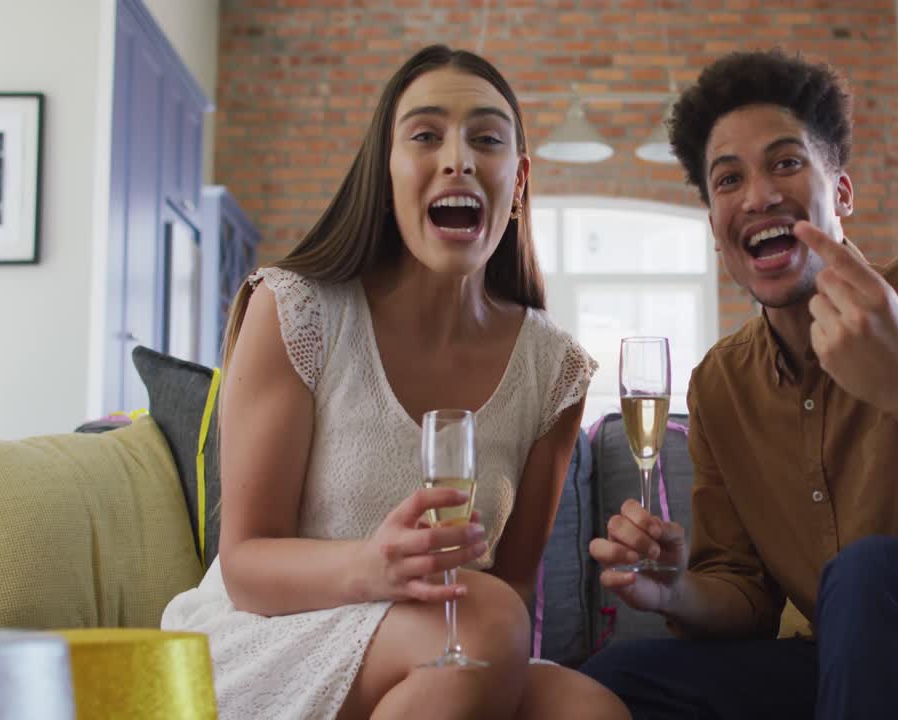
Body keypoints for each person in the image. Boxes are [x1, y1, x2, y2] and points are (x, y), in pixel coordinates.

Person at [580, 49, 898, 720]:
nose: (758, 196)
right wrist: (675, 591)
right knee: (614, 679)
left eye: (785, 163)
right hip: (851, 659)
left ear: (843, 193)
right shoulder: (720, 385)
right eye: (728, 179)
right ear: (715, 227)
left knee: (872, 577)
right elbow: (745, 596)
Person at [162, 45, 629, 720]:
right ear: (385, 174)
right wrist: (370, 567)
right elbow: (246, 567)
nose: (458, 159)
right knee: (486, 623)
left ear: (519, 180)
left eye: (487, 139)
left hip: (451, 642)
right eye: (425, 135)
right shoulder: (297, 310)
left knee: (588, 709)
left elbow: (514, 586)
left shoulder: (555, 369)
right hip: (269, 633)